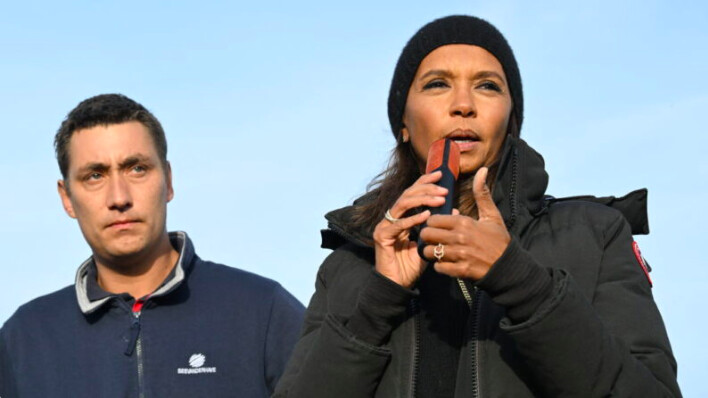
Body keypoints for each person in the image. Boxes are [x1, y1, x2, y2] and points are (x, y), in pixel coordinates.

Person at [274, 15, 681, 397]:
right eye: (437, 84)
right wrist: (378, 300)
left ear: (511, 120)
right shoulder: (350, 265)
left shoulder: (594, 234)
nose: (464, 104)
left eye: (488, 85)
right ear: (403, 123)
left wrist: (519, 279)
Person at [0, 94, 304, 397]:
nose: (119, 198)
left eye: (137, 169)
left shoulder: (263, 311)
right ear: (67, 198)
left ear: (168, 181)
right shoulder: (23, 339)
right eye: (95, 176)